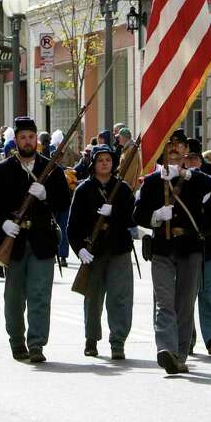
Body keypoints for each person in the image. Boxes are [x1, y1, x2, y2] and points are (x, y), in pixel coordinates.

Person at [0, 116, 70, 363]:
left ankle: (37, 344)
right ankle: (17, 342)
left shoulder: (51, 170)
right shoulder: (2, 170)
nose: (27, 141)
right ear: (16, 140)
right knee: (15, 297)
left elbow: (63, 203)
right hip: (15, 242)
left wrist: (46, 195)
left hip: (42, 240)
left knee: (40, 295)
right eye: (22, 137)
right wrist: (3, 224)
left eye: (31, 137)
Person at [135, 128, 211, 374]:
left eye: (179, 144)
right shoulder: (150, 182)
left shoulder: (197, 179)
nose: (174, 147)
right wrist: (155, 217)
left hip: (189, 247)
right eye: (169, 143)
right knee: (165, 301)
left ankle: (180, 354)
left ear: (186, 150)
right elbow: (138, 214)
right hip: (162, 247)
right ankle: (166, 349)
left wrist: (184, 174)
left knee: (185, 302)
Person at [67, 144, 135, 359]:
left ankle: (118, 342)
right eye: (100, 160)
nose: (105, 163)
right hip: (93, 251)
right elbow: (73, 226)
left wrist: (114, 213)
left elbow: (132, 219)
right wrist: (79, 249)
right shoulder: (83, 189)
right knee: (93, 298)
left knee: (120, 298)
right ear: (93, 164)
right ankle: (91, 339)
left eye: (108, 160)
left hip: (119, 249)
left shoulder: (122, 189)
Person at [188, 138, 211, 356]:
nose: (191, 162)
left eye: (194, 158)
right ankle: (188, 336)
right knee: (187, 294)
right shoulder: (176, 177)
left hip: (209, 243)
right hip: (185, 245)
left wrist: (210, 202)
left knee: (210, 290)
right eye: (188, 158)